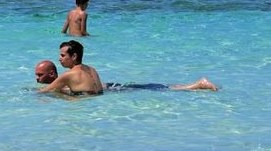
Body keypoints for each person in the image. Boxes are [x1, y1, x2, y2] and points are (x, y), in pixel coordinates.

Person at [34, 60, 218, 91]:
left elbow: (47, 92)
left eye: (40, 76)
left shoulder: (62, 80)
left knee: (159, 89)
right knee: (159, 88)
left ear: (51, 74)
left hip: (116, 90)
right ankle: (194, 85)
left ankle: (197, 85)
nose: (37, 79)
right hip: (113, 87)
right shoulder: (68, 77)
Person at [38, 40, 104, 96]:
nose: (60, 59)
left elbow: (45, 91)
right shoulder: (92, 70)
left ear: (74, 56)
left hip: (82, 105)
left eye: (63, 55)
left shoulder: (69, 75)